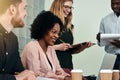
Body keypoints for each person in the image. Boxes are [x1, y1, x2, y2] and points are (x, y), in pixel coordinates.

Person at [21, 11, 72, 80]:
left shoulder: (51, 49)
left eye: (58, 33)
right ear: (43, 29)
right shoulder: (32, 47)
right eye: (54, 32)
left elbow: (59, 71)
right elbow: (36, 75)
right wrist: (63, 78)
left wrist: (70, 77)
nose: (57, 36)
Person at [50, 0, 94, 74]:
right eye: (66, 7)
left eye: (70, 8)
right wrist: (58, 47)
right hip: (53, 68)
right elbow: (40, 49)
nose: (69, 10)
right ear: (58, 6)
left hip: (68, 68)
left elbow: (70, 51)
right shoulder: (48, 24)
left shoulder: (70, 27)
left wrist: (83, 47)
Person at [0, 0, 36, 80]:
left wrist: (37, 75)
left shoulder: (13, 39)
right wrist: (17, 77)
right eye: (24, 8)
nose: (26, 13)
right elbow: (19, 76)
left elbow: (19, 71)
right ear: (12, 9)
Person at [96, 0, 120, 69]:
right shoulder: (105, 20)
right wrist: (99, 38)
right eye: (112, 4)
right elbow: (101, 44)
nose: (114, 6)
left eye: (118, 4)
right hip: (110, 58)